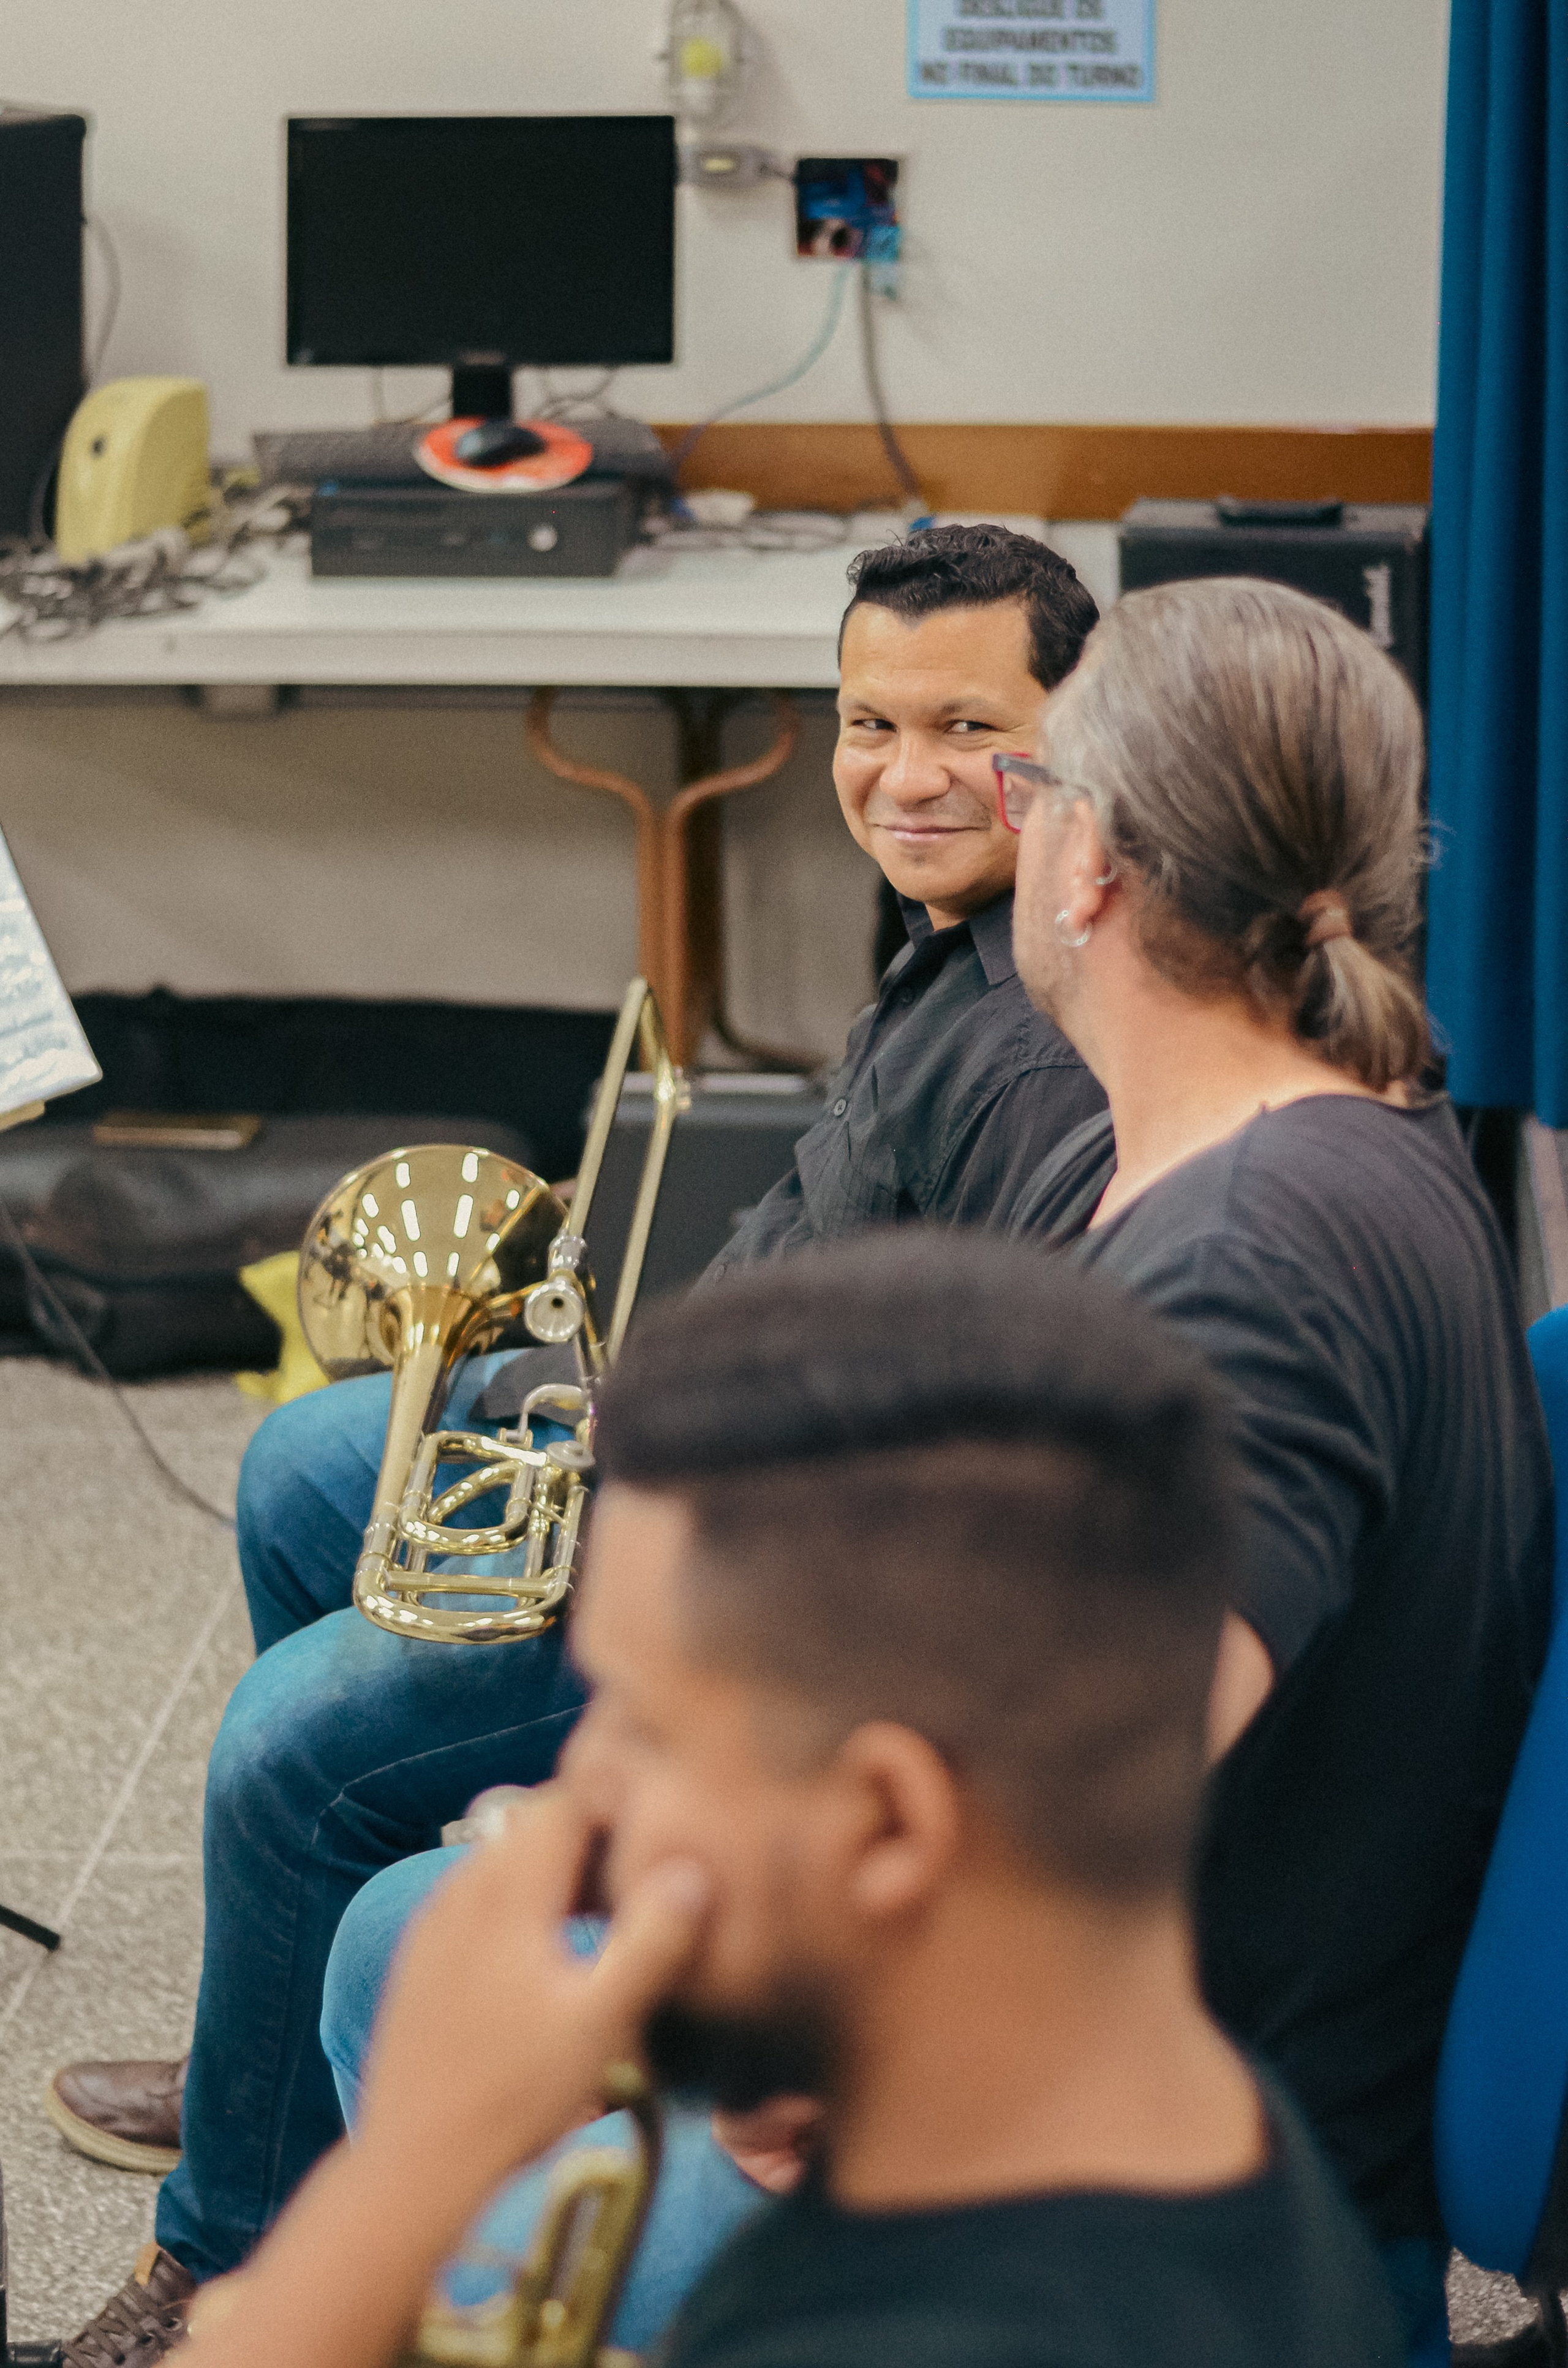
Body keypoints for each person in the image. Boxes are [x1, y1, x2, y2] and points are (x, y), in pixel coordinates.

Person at [51, 523, 1109, 2360]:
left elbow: (951, 1457)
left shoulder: (1032, 1045)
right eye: (867, 721)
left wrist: (658, 1459)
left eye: (966, 725)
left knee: (283, 1750)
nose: (905, 772)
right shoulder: (952, 942)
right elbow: (812, 1253)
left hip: (773, 1575)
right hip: (702, 1448)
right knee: (316, 1460)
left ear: (1078, 735)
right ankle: (284, 2060)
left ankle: (232, 2242)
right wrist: (605, 1382)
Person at [181, 1235, 1405, 2368]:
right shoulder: (1217, 2140)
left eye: (643, 1726)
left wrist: (408, 2177)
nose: (571, 1789)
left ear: (885, 1822)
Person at [992, 574, 1552, 2361]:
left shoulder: (1249, 1263)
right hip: (1215, 2099)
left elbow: (1058, 1816)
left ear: (1093, 865)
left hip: (1174, 2196)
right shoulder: (1347, 1139)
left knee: (415, 1959)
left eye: (1030, 784)